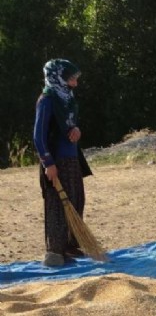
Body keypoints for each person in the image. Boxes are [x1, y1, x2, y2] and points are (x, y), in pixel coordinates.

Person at [33, 59, 92, 267]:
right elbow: (38, 136)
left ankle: (70, 245)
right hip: (56, 161)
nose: (74, 84)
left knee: (75, 200)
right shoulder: (47, 100)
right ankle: (54, 252)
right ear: (57, 76)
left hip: (72, 159)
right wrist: (48, 163)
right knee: (57, 205)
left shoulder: (68, 99)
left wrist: (77, 130)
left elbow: (70, 125)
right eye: (71, 79)